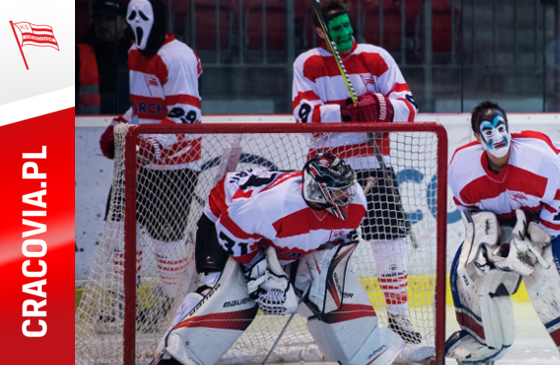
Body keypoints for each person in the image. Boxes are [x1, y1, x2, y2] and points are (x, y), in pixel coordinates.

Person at [152, 153, 406, 365]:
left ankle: (360, 346)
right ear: (318, 192)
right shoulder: (274, 206)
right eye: (340, 193)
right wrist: (256, 269)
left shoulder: (356, 202)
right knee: (220, 290)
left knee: (324, 288)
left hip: (263, 229)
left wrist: (305, 272)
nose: (349, 196)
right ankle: (172, 350)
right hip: (224, 216)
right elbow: (229, 230)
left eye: (348, 188)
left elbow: (335, 240)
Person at [445, 101, 560, 365]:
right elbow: (472, 213)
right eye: (488, 131)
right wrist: (492, 240)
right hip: (524, 210)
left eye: (501, 127)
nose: (498, 136)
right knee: (480, 265)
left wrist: (537, 238)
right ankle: (481, 338)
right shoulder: (461, 168)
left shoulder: (538, 160)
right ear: (478, 137)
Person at [291, 0, 421, 345]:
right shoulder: (307, 64)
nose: (346, 33)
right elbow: (304, 116)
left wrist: (378, 106)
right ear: (321, 32)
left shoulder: (376, 58)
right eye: (336, 30)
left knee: (389, 245)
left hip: (375, 166)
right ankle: (330, 321)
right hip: (328, 175)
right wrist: (346, 113)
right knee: (326, 251)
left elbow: (409, 108)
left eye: (348, 26)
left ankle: (399, 318)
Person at [97, 0, 203, 301]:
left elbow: (185, 114)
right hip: (140, 160)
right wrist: (122, 123)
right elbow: (144, 109)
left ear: (159, 19)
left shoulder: (177, 57)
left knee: (165, 241)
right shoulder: (134, 53)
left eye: (143, 16)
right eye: (131, 16)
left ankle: (174, 306)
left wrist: (151, 145)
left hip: (175, 165)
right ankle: (120, 300)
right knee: (119, 229)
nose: (135, 22)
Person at [76, 0, 132, 114]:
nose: (103, 25)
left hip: (132, 128)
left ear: (124, 22)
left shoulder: (137, 53)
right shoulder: (79, 53)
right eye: (99, 19)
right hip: (86, 128)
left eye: (110, 19)